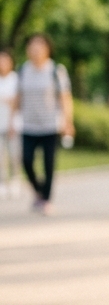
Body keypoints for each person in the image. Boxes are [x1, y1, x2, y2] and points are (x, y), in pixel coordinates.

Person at [14, 33, 74, 215]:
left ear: (48, 49)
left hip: (50, 125)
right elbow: (18, 97)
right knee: (26, 161)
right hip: (28, 125)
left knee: (49, 164)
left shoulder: (56, 70)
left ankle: (46, 199)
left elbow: (65, 98)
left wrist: (68, 122)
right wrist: (12, 121)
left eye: (40, 46)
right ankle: (38, 190)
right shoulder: (23, 70)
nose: (36, 49)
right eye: (32, 46)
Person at [0, 49, 20, 198]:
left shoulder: (16, 79)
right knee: (0, 157)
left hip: (14, 124)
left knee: (14, 155)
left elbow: (17, 101)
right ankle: (2, 183)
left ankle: (15, 181)